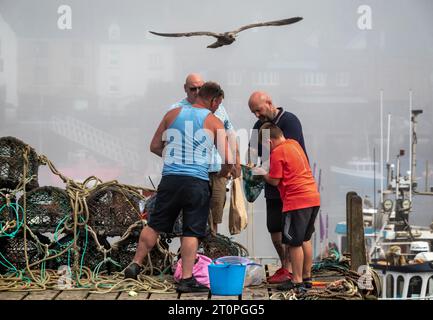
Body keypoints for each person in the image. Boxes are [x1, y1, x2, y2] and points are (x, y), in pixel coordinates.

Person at [124, 82, 234, 293]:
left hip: (170, 179)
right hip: (196, 183)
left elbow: (154, 146)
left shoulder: (172, 114)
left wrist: (174, 159)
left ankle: (135, 265)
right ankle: (186, 279)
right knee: (191, 230)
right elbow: (228, 158)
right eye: (217, 104)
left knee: (154, 224)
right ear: (213, 100)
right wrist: (224, 171)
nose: (216, 107)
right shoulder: (214, 122)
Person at [248, 91, 309, 284]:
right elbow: (252, 154)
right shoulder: (258, 127)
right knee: (274, 227)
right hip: (272, 186)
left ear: (269, 102)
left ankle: (301, 274)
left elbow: (290, 155)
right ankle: (285, 266)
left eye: (258, 110)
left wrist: (266, 168)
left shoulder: (290, 121)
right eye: (253, 112)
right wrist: (250, 166)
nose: (257, 115)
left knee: (296, 233)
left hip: (291, 187)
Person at [253, 122, 320, 291]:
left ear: (269, 142)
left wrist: (261, 172)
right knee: (305, 239)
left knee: (293, 243)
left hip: (296, 201)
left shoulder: (278, 152)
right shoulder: (294, 144)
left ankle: (296, 280)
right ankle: (307, 277)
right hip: (312, 197)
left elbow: (275, 180)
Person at [170, 73, 240, 234]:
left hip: (217, 169)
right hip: (191, 172)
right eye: (192, 88)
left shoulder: (218, 108)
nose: (197, 92)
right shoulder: (177, 109)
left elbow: (231, 135)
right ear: (185, 89)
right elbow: (167, 142)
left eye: (200, 88)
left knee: (215, 213)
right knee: (193, 215)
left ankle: (211, 248)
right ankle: (193, 252)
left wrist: (235, 162)